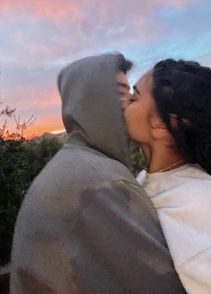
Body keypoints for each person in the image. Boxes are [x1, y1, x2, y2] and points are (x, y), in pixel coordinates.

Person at [10, 53, 185, 293]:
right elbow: (162, 284)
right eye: (124, 93)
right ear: (95, 101)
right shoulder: (100, 179)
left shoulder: (78, 163)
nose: (132, 102)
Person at [124, 59, 211, 294]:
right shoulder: (150, 178)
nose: (124, 103)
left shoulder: (202, 209)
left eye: (135, 97)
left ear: (164, 125)